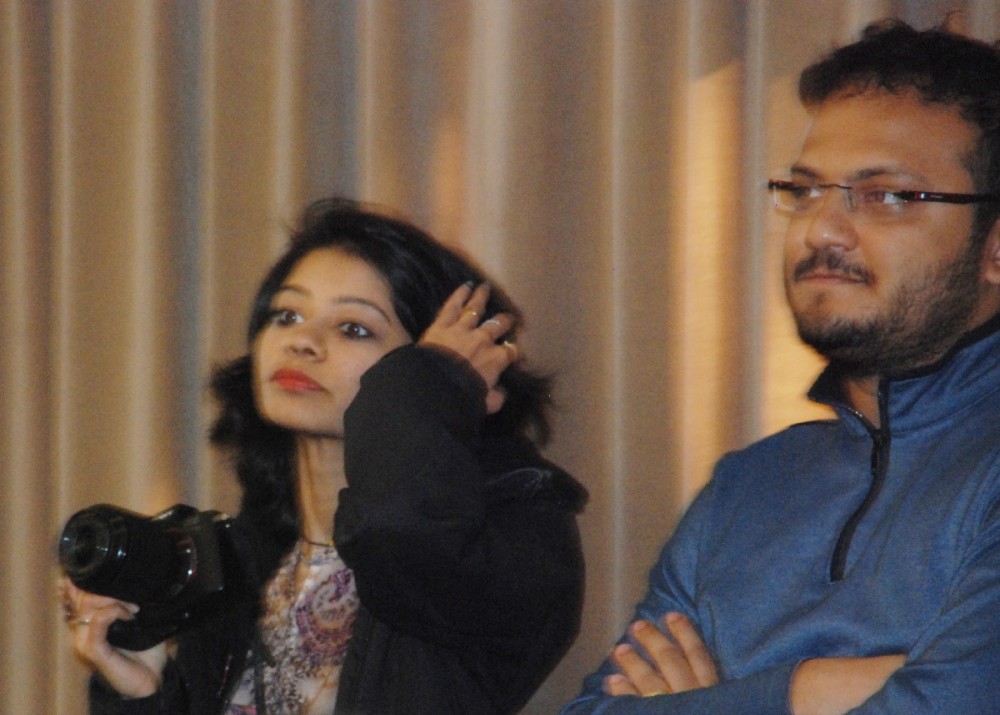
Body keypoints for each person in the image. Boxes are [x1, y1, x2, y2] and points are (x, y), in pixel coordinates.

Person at [563, 19, 1000, 714]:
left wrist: (715, 700)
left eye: (887, 195)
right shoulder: (749, 484)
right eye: (805, 190)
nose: (821, 228)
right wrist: (808, 689)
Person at [60, 197, 587, 714]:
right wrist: (144, 695)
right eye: (286, 315)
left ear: (458, 376)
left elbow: (398, 533)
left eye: (353, 328)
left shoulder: (509, 536)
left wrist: (437, 384)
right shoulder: (233, 566)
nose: (302, 342)